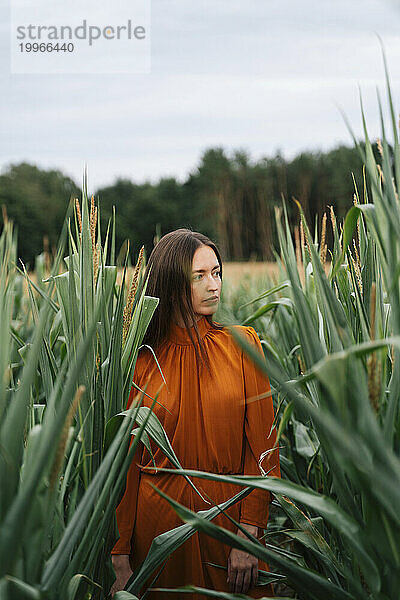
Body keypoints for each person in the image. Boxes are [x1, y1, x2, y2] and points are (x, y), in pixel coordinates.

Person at [111, 229, 280, 599]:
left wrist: (250, 534)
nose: (213, 285)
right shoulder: (140, 362)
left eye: (216, 273)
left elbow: (264, 451)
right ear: (171, 283)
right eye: (199, 276)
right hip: (159, 534)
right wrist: (120, 551)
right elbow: (126, 463)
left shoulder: (242, 347)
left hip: (229, 524)